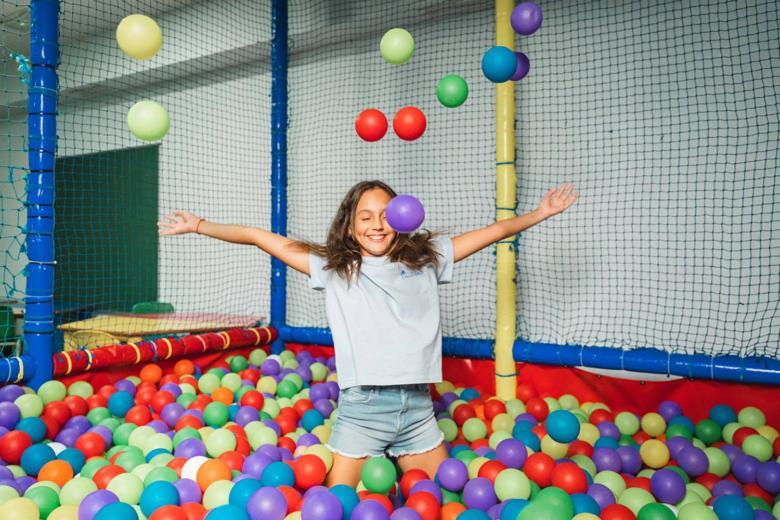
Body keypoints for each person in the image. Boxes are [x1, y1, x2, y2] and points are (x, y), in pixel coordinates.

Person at [159, 180, 576, 486]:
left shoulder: (427, 259)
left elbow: (493, 233)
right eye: (366, 217)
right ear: (350, 225)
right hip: (363, 411)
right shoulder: (335, 269)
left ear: (402, 218)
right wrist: (200, 225)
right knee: (340, 502)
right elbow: (258, 237)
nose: (377, 225)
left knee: (439, 496)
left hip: (417, 410)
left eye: (386, 215)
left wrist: (540, 213)